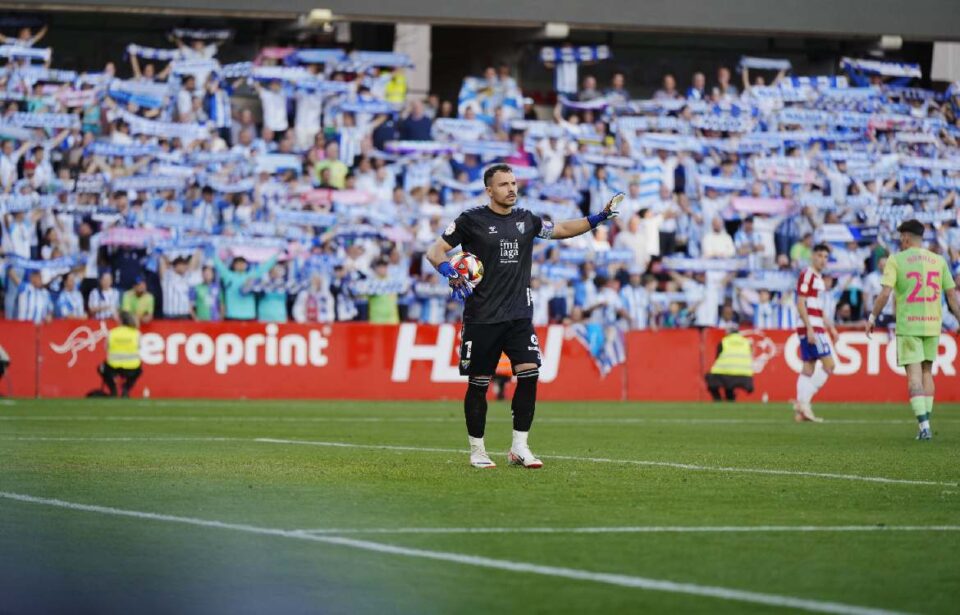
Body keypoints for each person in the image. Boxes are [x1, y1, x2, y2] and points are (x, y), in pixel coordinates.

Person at [425, 163, 621, 469]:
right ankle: (477, 450)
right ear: (489, 190)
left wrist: (598, 218)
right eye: (504, 184)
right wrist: (448, 270)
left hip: (518, 315)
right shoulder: (470, 220)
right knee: (479, 383)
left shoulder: (527, 219)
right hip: (482, 317)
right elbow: (435, 251)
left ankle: (520, 447)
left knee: (530, 375)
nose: (512, 188)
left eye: (514, 183)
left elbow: (561, 229)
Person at [866, 220, 960, 440]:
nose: (900, 241)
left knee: (914, 376)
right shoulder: (938, 260)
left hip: (909, 325)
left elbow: (885, 294)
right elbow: (952, 297)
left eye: (901, 237)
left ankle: (924, 427)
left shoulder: (896, 260)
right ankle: (926, 424)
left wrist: (872, 317)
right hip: (932, 324)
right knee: (928, 372)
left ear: (907, 237)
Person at [794, 243, 838, 423]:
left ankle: (801, 411)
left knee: (809, 367)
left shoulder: (818, 278)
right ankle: (803, 403)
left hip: (817, 325)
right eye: (819, 255)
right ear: (812, 256)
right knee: (829, 366)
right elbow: (800, 303)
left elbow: (818, 309)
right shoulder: (807, 274)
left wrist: (831, 327)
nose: (823, 260)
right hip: (810, 327)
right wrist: (810, 328)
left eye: (826, 257)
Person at [98, 311, 142, 398]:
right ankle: (126, 388)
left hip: (113, 367)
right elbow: (139, 347)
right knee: (139, 370)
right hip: (132, 367)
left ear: (120, 321)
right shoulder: (136, 333)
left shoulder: (112, 333)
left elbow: (106, 348)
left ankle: (113, 390)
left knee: (101, 368)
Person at [705, 325, 754, 402]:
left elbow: (717, 358)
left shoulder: (724, 341)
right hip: (745, 375)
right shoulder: (746, 342)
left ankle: (718, 400)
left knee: (709, 377)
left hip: (725, 373)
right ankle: (730, 400)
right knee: (729, 383)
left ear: (728, 332)